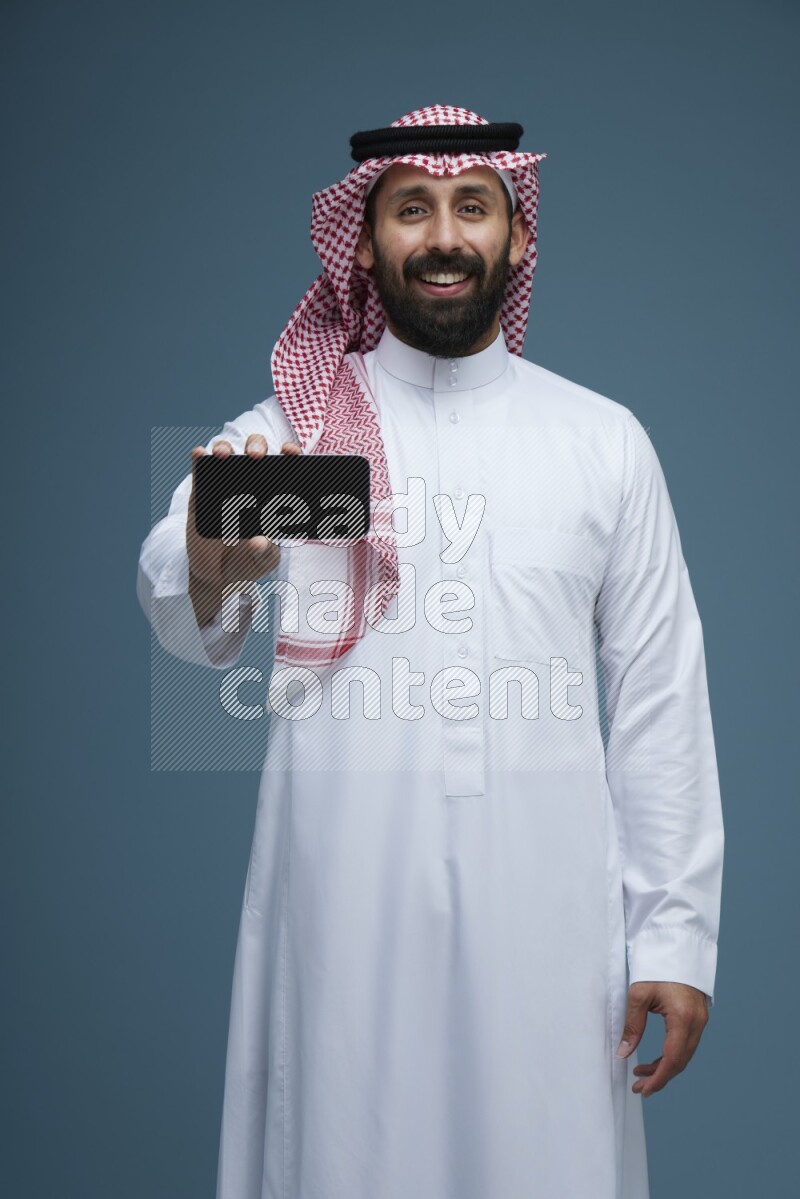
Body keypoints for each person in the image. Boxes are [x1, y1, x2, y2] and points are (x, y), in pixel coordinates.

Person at [137, 104, 724, 1199]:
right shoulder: (304, 440)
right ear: (361, 242)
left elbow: (658, 694)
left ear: (517, 236)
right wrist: (223, 555)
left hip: (550, 915)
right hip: (343, 907)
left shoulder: (599, 444)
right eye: (410, 210)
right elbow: (184, 588)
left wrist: (674, 940)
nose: (442, 236)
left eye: (471, 207)